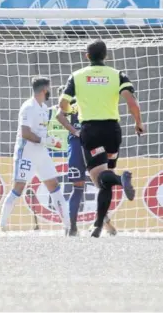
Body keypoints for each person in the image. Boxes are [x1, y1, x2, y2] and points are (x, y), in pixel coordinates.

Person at [59, 40, 144, 238]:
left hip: (91, 129)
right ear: (105, 56)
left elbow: (62, 104)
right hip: (113, 130)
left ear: (87, 56)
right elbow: (131, 101)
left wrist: (72, 109)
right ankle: (98, 225)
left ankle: (120, 180)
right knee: (104, 181)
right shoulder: (117, 74)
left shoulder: (77, 76)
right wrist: (138, 122)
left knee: (101, 177)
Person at [0, 77, 71, 234]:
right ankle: (2, 226)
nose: (50, 91)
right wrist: (44, 139)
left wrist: (50, 140)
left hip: (42, 154)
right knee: (18, 188)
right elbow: (25, 133)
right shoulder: (28, 107)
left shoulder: (44, 107)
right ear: (45, 89)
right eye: (49, 88)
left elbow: (41, 132)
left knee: (54, 186)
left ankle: (68, 226)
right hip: (27, 154)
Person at [55, 86, 117, 236]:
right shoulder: (88, 100)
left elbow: (59, 115)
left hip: (76, 146)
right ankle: (104, 223)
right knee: (102, 186)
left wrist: (74, 130)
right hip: (93, 145)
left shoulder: (67, 105)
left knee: (77, 189)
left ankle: (72, 229)